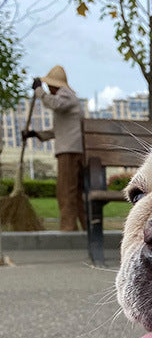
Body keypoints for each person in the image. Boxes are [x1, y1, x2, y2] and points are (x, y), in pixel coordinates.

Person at [22, 65, 86, 232]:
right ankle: (86, 228)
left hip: (69, 152)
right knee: (76, 193)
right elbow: (58, 131)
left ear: (55, 84)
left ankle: (68, 228)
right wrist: (35, 134)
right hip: (73, 149)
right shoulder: (69, 101)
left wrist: (38, 91)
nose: (48, 89)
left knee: (65, 191)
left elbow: (54, 104)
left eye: (49, 85)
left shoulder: (65, 95)